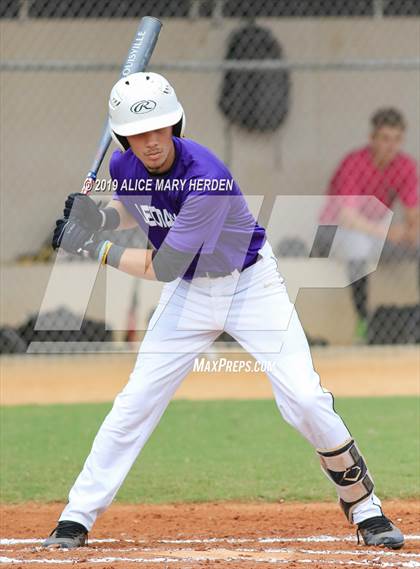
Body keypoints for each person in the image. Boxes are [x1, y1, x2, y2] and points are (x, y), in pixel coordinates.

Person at [44, 73, 404, 550]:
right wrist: (102, 216)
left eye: (161, 128)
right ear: (122, 137)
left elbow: (165, 265)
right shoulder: (124, 164)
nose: (151, 142)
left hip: (250, 287)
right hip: (190, 297)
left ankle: (364, 507)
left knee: (304, 399)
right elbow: (139, 205)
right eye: (139, 132)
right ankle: (76, 517)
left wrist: (93, 245)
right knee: (135, 403)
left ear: (177, 125)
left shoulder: (205, 176)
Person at [320, 108, 419, 341]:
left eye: (396, 139)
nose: (390, 146)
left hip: (374, 233)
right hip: (335, 232)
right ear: (372, 138)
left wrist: (413, 229)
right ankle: (362, 322)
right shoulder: (354, 163)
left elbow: (413, 211)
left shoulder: (404, 165)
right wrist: (389, 233)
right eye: (385, 138)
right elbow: (347, 217)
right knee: (358, 246)